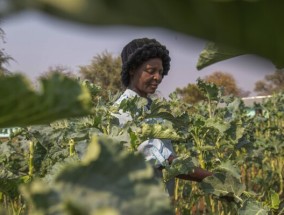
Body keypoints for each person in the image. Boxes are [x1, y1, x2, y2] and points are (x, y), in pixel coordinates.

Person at [113, 38, 212, 196]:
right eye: (151, 71)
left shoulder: (151, 108)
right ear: (132, 69)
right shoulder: (123, 112)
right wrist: (214, 180)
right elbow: (164, 160)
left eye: (160, 72)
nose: (158, 78)